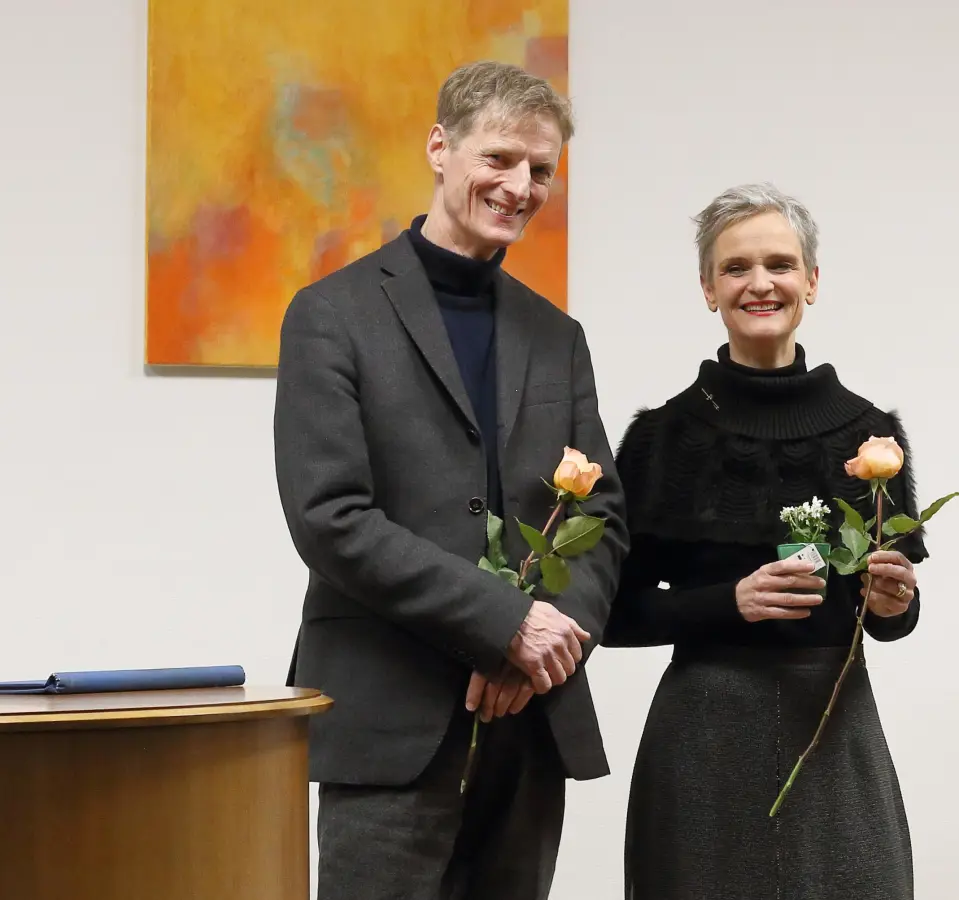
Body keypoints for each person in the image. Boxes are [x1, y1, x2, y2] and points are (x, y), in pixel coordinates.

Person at [272, 60, 627, 900]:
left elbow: (604, 518)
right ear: (440, 147)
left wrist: (540, 650)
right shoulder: (329, 315)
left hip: (530, 723)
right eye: (499, 158)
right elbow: (330, 517)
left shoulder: (558, 336)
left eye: (540, 169)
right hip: (389, 726)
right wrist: (505, 624)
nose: (520, 186)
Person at [605, 182, 926, 899]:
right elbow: (612, 615)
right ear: (708, 288)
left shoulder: (870, 435)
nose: (760, 283)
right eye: (736, 267)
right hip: (703, 738)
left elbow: (891, 621)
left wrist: (893, 603)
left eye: (780, 264)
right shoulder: (660, 439)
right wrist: (730, 603)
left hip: (834, 729)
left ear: (811, 281)